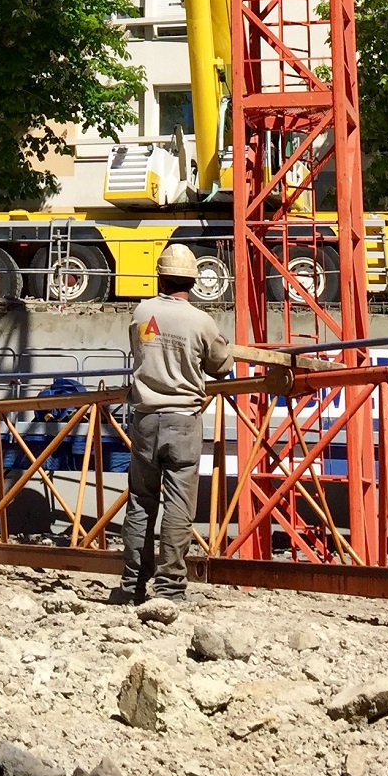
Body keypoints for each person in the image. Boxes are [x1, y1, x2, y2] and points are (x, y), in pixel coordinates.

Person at [116, 243, 232, 604]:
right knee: (179, 505)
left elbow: (139, 350)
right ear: (193, 282)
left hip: (146, 418)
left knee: (140, 501)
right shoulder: (201, 321)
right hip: (183, 419)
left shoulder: (141, 312)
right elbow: (221, 365)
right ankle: (169, 589)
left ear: (161, 276)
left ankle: (132, 585)